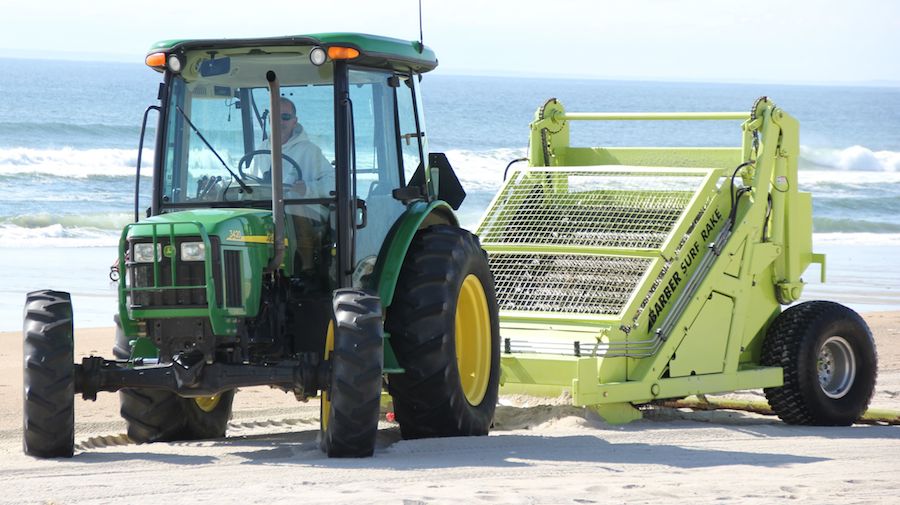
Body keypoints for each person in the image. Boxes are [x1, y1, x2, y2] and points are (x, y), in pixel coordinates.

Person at [254, 96, 334, 277]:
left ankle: (307, 270)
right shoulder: (261, 149)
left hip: (307, 209)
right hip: (269, 209)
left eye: (285, 117)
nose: (279, 122)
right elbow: (252, 181)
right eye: (275, 117)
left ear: (294, 121)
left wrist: (307, 189)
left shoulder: (309, 151)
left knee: (293, 205)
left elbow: (333, 183)